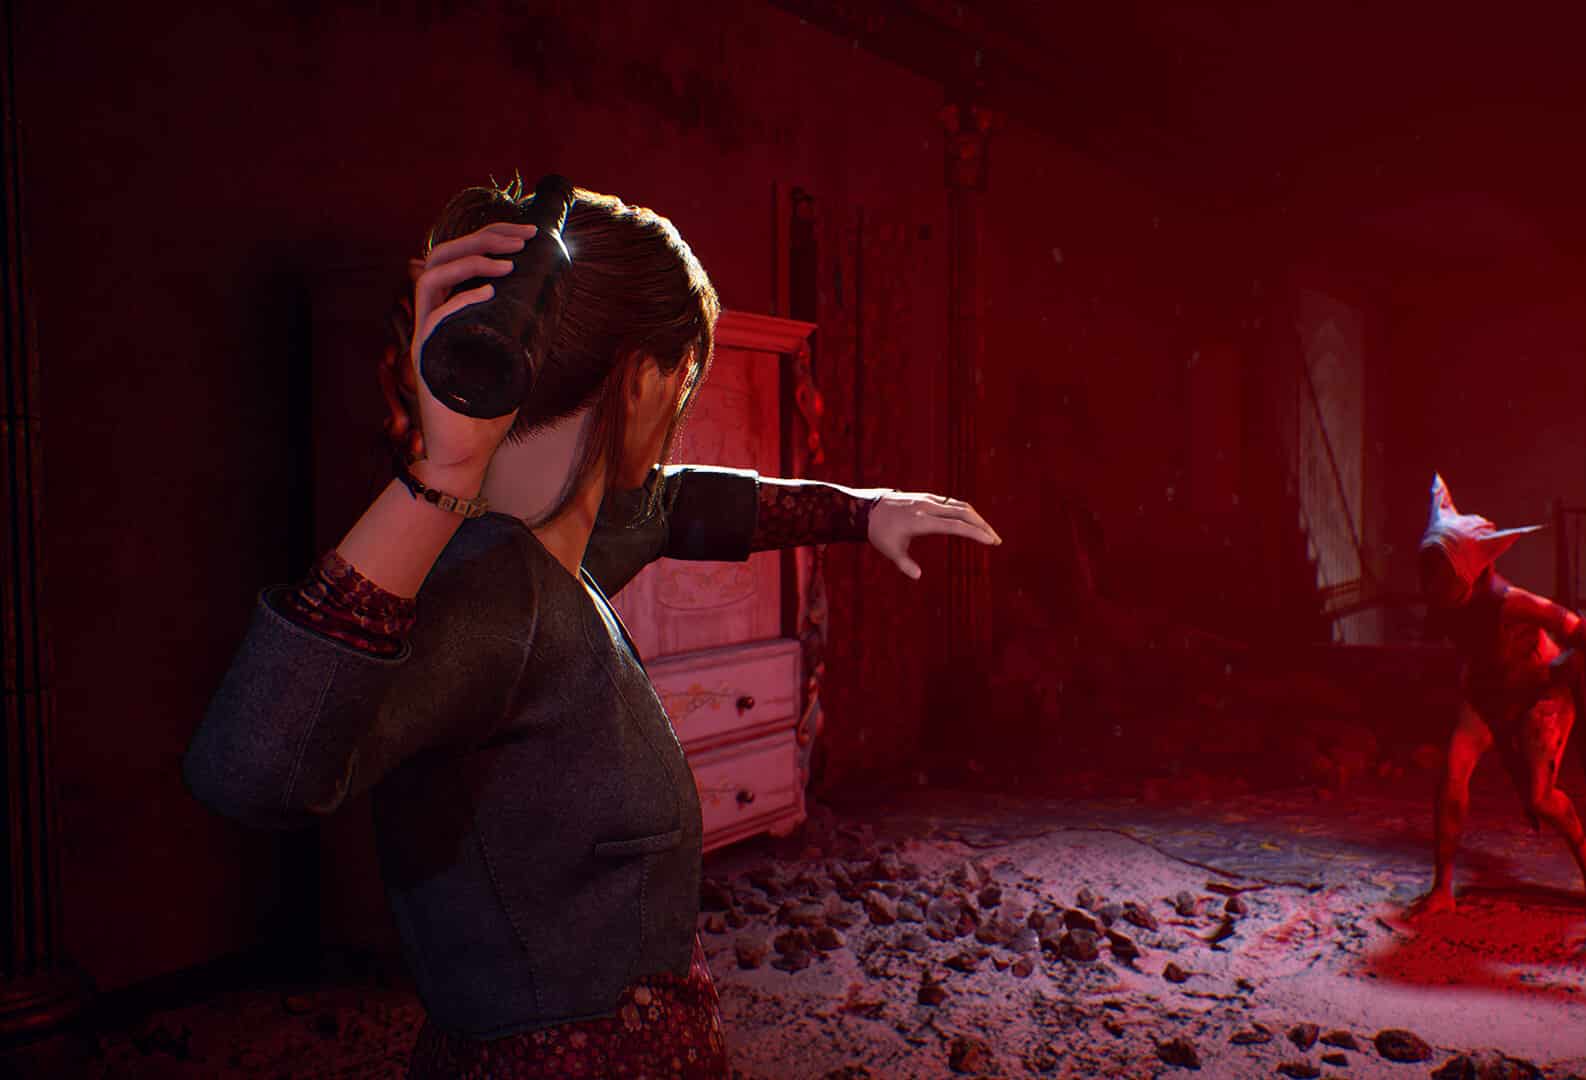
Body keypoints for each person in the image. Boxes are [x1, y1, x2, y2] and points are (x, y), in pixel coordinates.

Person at [183, 181, 1001, 1078]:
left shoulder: (553, 547)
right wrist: (439, 473)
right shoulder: (500, 596)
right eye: (685, 377)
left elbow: (677, 505)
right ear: (647, 378)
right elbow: (253, 771)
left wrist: (862, 511)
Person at [1409, 474, 1586, 917]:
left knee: (1541, 797)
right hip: (1487, 693)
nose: (1432, 585)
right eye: (1430, 573)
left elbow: (1581, 631)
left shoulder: (1510, 601)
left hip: (1541, 696)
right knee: (1452, 775)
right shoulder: (1444, 601)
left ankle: (1585, 851)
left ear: (1467, 573)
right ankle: (1442, 888)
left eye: (1440, 575)